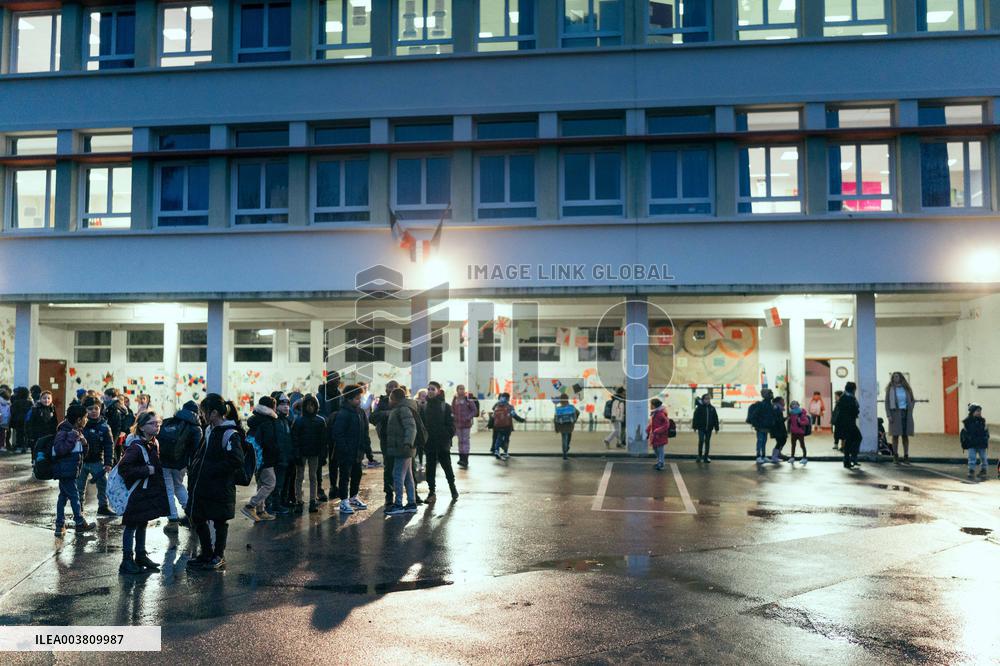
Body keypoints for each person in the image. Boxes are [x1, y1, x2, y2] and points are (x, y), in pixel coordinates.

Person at [186, 394, 245, 571]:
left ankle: (219, 555)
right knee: (198, 517)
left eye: (203, 412)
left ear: (213, 413)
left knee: (220, 521)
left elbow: (236, 460)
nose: (201, 415)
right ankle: (206, 553)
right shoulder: (209, 430)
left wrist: (212, 469)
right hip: (203, 485)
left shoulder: (229, 433)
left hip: (220, 486)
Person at [117, 410, 170, 575]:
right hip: (136, 492)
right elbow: (124, 468)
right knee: (132, 524)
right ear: (141, 427)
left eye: (158, 423)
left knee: (143, 522)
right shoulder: (136, 446)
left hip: (146, 490)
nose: (157, 426)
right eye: (153, 424)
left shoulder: (154, 442)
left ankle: (141, 555)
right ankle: (126, 560)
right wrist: (146, 469)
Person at [157, 401, 202, 532]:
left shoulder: (169, 421)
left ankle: (173, 518)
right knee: (179, 486)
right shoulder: (195, 427)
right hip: (180, 464)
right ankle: (190, 511)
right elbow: (196, 449)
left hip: (164, 461)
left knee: (168, 489)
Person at [51, 404, 95, 536]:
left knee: (63, 497)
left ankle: (60, 525)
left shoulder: (77, 431)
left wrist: (84, 442)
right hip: (65, 471)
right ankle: (80, 522)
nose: (86, 420)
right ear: (78, 419)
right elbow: (59, 449)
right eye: (85, 417)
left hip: (71, 470)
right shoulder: (64, 431)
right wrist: (72, 437)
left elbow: (82, 453)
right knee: (74, 496)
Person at [331, 385, 370, 514]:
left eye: (360, 398)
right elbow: (338, 433)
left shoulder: (360, 412)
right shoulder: (343, 413)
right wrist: (345, 449)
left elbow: (365, 432)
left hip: (357, 452)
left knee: (356, 475)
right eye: (357, 398)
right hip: (346, 453)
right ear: (349, 399)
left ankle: (353, 497)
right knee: (344, 477)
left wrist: (365, 449)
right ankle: (343, 501)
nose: (360, 400)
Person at [242, 396, 280, 522]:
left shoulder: (256, 419)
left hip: (256, 458)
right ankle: (250, 505)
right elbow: (269, 443)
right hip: (265, 458)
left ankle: (261, 510)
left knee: (262, 484)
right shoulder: (267, 421)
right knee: (270, 483)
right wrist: (277, 453)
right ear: (270, 407)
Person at [76, 396, 115, 517]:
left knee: (103, 485)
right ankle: (79, 508)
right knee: (79, 486)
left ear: (100, 409)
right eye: (90, 409)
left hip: (97, 461)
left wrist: (108, 463)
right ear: (84, 410)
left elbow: (109, 445)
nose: (93, 411)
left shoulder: (104, 427)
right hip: (81, 461)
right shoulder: (80, 425)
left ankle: (103, 506)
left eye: (96, 408)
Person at [421, 381, 459, 500]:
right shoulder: (424, 407)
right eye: (429, 389)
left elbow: (452, 425)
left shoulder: (445, 406)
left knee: (447, 466)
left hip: (443, 444)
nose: (430, 391)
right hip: (430, 444)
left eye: (433, 389)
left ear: (438, 391)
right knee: (430, 468)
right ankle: (431, 492)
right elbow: (422, 425)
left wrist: (446, 436)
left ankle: (453, 489)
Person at [384, 387, 418, 516]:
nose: (389, 401)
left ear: (395, 399)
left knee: (397, 475)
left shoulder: (403, 409)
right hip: (403, 447)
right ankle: (411, 503)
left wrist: (407, 443)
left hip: (403, 448)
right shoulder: (401, 408)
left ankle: (398, 504)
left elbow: (411, 427)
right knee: (408, 476)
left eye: (390, 398)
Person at [292, 394, 327, 513]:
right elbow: (295, 438)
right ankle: (299, 500)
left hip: (314, 453)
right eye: (308, 405)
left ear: (316, 406)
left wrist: (323, 455)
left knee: (313, 477)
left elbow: (323, 441)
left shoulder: (320, 421)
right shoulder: (300, 421)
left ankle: (312, 500)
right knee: (300, 477)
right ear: (304, 406)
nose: (310, 407)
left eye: (312, 405)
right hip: (302, 453)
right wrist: (296, 454)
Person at [371, 380, 401, 508]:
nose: (392, 389)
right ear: (385, 389)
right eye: (389, 386)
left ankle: (412, 495)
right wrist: (387, 414)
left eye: (394, 387)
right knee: (389, 467)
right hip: (386, 439)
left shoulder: (403, 402)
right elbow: (372, 417)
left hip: (401, 439)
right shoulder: (382, 402)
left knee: (405, 468)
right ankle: (389, 495)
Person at [268, 393, 294, 515]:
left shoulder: (285, 420)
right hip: (277, 459)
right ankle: (272, 506)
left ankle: (276, 504)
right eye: (282, 403)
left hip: (284, 458)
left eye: (287, 403)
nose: (286, 406)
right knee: (274, 484)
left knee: (279, 484)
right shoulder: (275, 420)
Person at [885, 371, 916, 463]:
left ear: (901, 377)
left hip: (906, 413)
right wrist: (888, 415)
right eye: (894, 377)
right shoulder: (890, 389)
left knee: (905, 436)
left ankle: (906, 455)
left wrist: (910, 407)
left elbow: (912, 400)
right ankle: (895, 456)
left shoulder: (907, 389)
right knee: (895, 436)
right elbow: (887, 403)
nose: (895, 378)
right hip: (895, 414)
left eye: (897, 376)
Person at [834, 382, 862, 469]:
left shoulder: (844, 396)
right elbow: (853, 410)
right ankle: (852, 457)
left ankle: (848, 460)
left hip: (845, 422)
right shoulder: (848, 397)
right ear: (853, 389)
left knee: (849, 441)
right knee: (858, 437)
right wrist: (856, 411)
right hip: (848, 422)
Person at [490, 393, 525, 460]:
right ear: (508, 399)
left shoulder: (496, 406)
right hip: (507, 426)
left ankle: (497, 451)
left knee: (498, 438)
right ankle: (505, 452)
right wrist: (522, 420)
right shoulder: (510, 407)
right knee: (506, 439)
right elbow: (514, 415)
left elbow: (493, 415)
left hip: (498, 426)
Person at [451, 384, 479, 468]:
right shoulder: (455, 400)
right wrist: (453, 417)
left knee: (465, 441)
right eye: (460, 389)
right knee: (460, 441)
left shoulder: (468, 400)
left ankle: (465, 460)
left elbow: (474, 410)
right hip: (458, 424)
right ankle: (461, 459)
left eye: (463, 389)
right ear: (457, 390)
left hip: (466, 424)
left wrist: (468, 417)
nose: (462, 390)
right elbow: (452, 410)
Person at [747, 388, 776, 465]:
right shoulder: (762, 404)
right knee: (760, 441)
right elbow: (754, 415)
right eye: (770, 393)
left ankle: (763, 456)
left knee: (764, 441)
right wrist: (757, 425)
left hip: (766, 426)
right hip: (761, 427)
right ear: (766, 395)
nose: (772, 395)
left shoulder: (769, 404)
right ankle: (758, 456)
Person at [961, 403, 989, 480]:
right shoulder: (967, 422)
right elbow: (966, 433)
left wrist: (986, 438)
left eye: (980, 411)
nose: (979, 412)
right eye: (977, 411)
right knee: (972, 458)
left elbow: (985, 431)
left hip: (981, 443)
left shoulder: (982, 421)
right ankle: (971, 470)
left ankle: (984, 470)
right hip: (972, 443)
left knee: (983, 457)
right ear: (972, 412)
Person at [692, 393, 719, 463]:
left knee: (707, 442)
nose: (707, 400)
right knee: (701, 441)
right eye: (706, 399)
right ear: (703, 399)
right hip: (701, 428)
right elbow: (695, 418)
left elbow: (715, 418)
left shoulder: (712, 408)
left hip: (709, 428)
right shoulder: (699, 408)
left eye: (709, 399)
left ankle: (706, 457)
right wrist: (694, 426)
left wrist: (716, 428)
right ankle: (699, 456)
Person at [553, 393, 580, 460]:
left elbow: (555, 419)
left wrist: (556, 428)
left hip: (562, 426)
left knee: (564, 439)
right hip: (570, 426)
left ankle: (565, 452)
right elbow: (578, 412)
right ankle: (566, 448)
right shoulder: (571, 407)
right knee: (568, 438)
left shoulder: (558, 409)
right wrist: (574, 420)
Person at [647, 398, 670, 471]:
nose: (650, 406)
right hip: (655, 435)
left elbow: (666, 424)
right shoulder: (654, 413)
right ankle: (659, 461)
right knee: (655, 448)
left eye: (651, 404)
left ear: (655, 405)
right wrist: (648, 429)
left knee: (660, 449)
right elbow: (652, 423)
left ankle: (661, 462)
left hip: (660, 435)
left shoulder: (660, 413)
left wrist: (658, 430)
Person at [787, 400, 810, 464]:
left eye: (795, 404)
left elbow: (806, 422)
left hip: (800, 432)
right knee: (793, 445)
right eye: (792, 404)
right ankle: (792, 457)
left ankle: (804, 457)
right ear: (791, 406)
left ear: (798, 405)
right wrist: (789, 429)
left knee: (802, 445)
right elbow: (790, 422)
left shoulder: (801, 413)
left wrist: (800, 422)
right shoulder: (791, 413)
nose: (794, 405)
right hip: (793, 432)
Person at [10, 386, 32, 453]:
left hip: (18, 421)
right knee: (26, 434)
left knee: (19, 434)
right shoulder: (29, 402)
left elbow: (12, 412)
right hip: (27, 421)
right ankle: (26, 446)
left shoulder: (16, 402)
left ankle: (19, 447)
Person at [769, 397, 788, 464]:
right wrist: (784, 419)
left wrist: (784, 418)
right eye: (783, 401)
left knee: (783, 440)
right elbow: (777, 419)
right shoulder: (776, 408)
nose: (784, 402)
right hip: (777, 428)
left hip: (780, 428)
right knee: (780, 441)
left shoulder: (778, 407)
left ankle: (778, 453)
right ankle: (774, 456)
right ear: (779, 401)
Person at [0, 386, 11, 452]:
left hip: (1, 420)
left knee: (1, 434)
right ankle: (2, 446)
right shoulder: (8, 403)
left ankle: (1, 446)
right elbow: (9, 414)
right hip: (5, 421)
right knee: (2, 435)